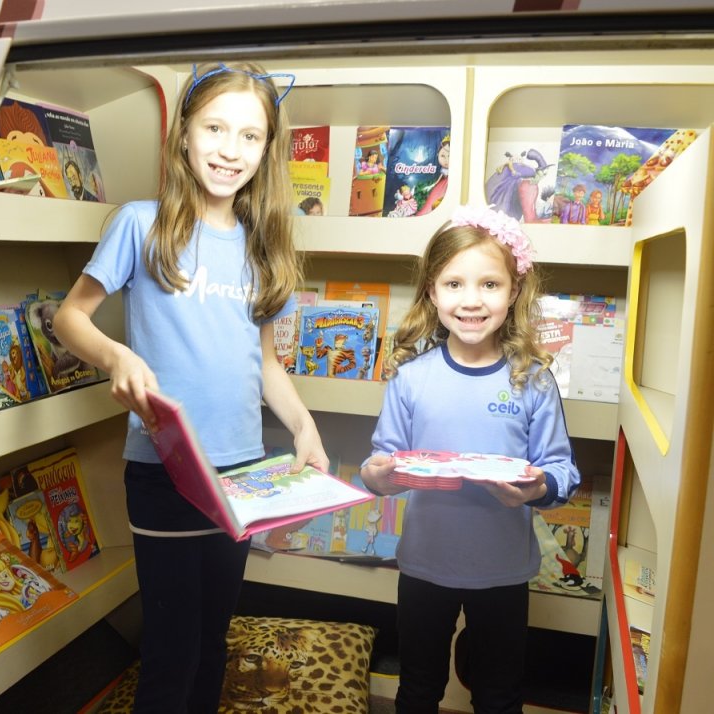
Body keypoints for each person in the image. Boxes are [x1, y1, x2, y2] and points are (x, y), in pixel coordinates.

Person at [52, 61, 328, 713]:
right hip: (166, 473)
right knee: (171, 656)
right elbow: (69, 317)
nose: (230, 150)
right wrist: (116, 353)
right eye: (215, 128)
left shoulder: (263, 245)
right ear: (183, 134)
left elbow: (263, 361)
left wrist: (303, 426)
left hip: (243, 476)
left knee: (212, 644)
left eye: (250, 136)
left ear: (268, 150)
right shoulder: (140, 223)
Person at [360, 205, 580, 714]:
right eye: (454, 284)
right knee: (417, 689)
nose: (472, 301)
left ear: (514, 292)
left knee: (499, 696)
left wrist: (537, 487)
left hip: (503, 573)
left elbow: (561, 470)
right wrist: (378, 478)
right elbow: (383, 460)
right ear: (432, 292)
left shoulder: (533, 380)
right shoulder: (411, 379)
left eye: (489, 284)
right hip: (424, 567)